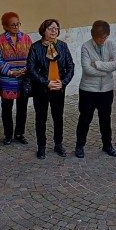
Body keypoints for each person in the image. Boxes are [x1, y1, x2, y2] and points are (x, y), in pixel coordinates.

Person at [27, 19, 74, 159]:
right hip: (42, 89)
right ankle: (41, 147)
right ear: (43, 30)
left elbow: (71, 66)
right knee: (41, 118)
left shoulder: (63, 46)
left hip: (58, 88)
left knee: (58, 117)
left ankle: (58, 144)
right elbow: (31, 68)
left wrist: (63, 82)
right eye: (51, 28)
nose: (54, 31)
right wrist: (45, 82)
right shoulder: (35, 47)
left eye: (56, 28)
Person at [75, 20, 116, 158]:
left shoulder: (110, 44)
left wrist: (99, 65)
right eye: (99, 37)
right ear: (93, 35)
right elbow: (87, 68)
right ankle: (80, 145)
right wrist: (106, 71)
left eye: (105, 37)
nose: (102, 40)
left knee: (105, 119)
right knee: (85, 119)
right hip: (88, 90)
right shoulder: (86, 47)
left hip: (106, 90)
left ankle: (107, 145)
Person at [0, 12, 33, 145]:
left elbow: (32, 57)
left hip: (23, 79)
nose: (16, 27)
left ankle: (19, 133)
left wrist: (26, 69)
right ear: (5, 26)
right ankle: (7, 135)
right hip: (7, 80)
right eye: (13, 25)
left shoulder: (26, 38)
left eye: (18, 24)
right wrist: (10, 72)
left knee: (22, 108)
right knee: (6, 108)